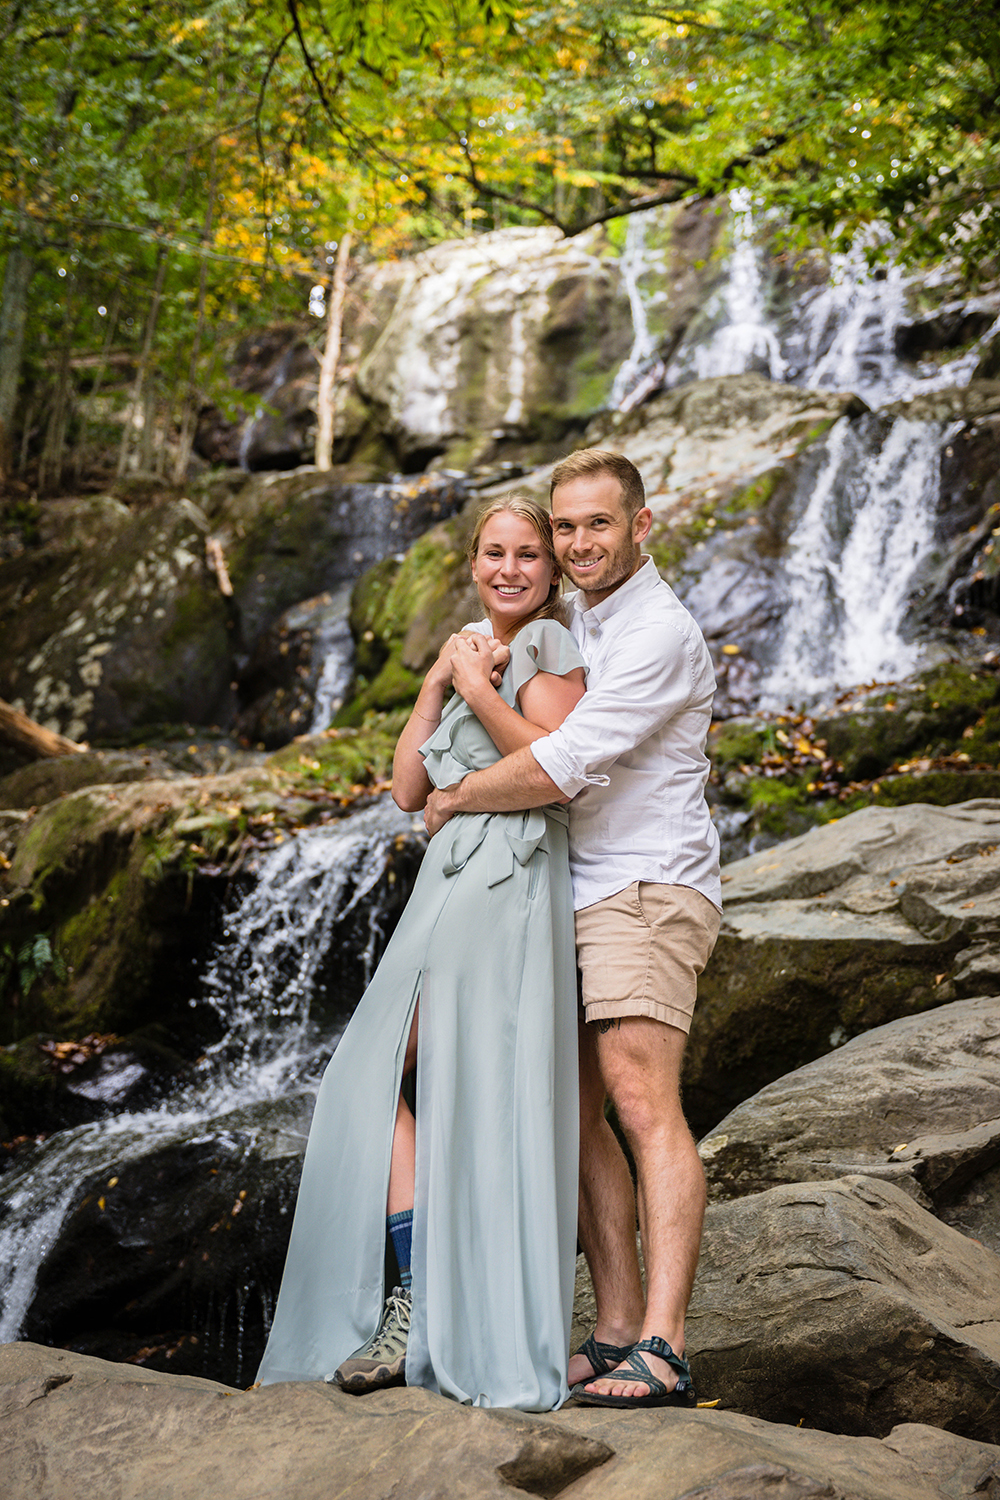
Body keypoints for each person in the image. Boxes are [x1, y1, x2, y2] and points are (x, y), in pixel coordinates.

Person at [255, 495, 587, 1412]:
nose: (510, 568)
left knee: (434, 1075)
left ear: (552, 572)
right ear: (473, 562)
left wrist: (480, 692)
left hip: (504, 881)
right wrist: (440, 681)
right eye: (495, 553)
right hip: (445, 883)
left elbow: (559, 759)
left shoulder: (551, 649)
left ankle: (428, 1312)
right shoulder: (467, 641)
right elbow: (408, 788)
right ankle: (413, 1295)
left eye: (529, 554)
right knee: (374, 1081)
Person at [424, 449, 722, 1410]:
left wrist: (458, 795)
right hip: (568, 888)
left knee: (641, 1102)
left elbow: (563, 764)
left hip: (644, 886)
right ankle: (615, 1328)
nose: (579, 543)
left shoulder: (660, 633)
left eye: (599, 524)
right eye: (566, 527)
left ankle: (668, 1347)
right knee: (579, 1113)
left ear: (643, 525)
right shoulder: (575, 619)